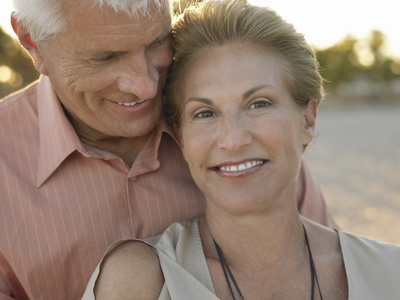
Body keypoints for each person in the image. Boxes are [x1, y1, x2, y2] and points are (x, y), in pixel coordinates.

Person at [0, 0, 335, 298]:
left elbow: (322, 274)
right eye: (106, 57)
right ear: (32, 41)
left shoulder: (248, 144)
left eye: (157, 42)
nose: (146, 85)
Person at [83, 0, 400, 299]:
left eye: (259, 104)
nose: (233, 140)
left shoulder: (390, 271)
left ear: (307, 119)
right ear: (180, 137)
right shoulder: (141, 281)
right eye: (205, 113)